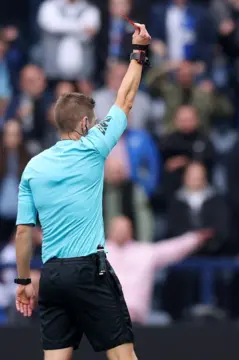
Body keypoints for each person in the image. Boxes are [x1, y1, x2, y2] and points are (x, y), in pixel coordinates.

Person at [13, 23, 152, 360]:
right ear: (86, 124)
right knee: (123, 357)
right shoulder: (92, 147)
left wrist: (22, 282)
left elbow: (22, 231)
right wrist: (139, 53)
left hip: (53, 274)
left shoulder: (33, 167)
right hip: (89, 269)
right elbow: (126, 99)